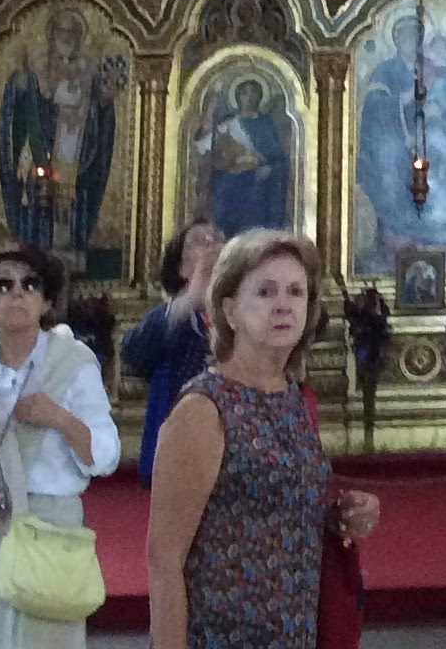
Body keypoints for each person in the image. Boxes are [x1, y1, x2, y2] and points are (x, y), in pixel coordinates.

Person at [147, 231, 381, 649]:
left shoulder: (292, 397)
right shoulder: (204, 409)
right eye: (265, 291)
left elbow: (269, 508)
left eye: (296, 292)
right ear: (230, 310)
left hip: (294, 633)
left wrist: (339, 517)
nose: (283, 304)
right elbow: (164, 559)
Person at [0, 244, 121, 649]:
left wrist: (60, 418)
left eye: (30, 285)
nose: (17, 293)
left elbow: (105, 456)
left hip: (48, 529)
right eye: (4, 285)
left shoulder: (74, 365)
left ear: (46, 302)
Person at [121, 221, 220, 479]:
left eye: (217, 238)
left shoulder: (242, 317)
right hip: (179, 449)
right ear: (181, 268)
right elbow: (133, 354)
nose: (211, 244)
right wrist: (190, 299)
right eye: (198, 241)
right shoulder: (168, 316)